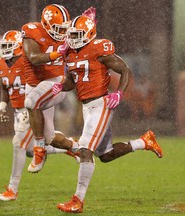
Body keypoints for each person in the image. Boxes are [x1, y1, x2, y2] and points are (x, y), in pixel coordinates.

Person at [52, 10, 163, 213]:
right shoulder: (69, 53)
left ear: (89, 33)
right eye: (72, 35)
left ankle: (77, 200)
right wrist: (60, 86)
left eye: (77, 35)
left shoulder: (98, 48)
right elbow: (72, 81)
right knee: (106, 155)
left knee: (86, 150)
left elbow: (124, 70)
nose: (73, 39)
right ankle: (144, 142)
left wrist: (119, 93)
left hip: (101, 104)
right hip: (87, 107)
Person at [0, 30, 79, 201]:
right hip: (19, 109)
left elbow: (45, 74)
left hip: (33, 107)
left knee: (18, 143)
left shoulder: (28, 62)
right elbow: (5, 85)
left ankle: (12, 189)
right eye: (4, 46)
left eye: (9, 47)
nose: (6, 51)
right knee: (35, 148)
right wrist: (3, 104)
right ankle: (74, 148)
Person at [22, 4, 79, 173]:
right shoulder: (31, 31)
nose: (62, 33)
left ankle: (39, 150)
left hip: (55, 83)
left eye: (64, 29)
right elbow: (34, 58)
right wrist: (57, 53)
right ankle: (77, 148)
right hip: (33, 85)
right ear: (46, 25)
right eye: (58, 29)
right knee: (51, 138)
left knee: (31, 102)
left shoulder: (68, 36)